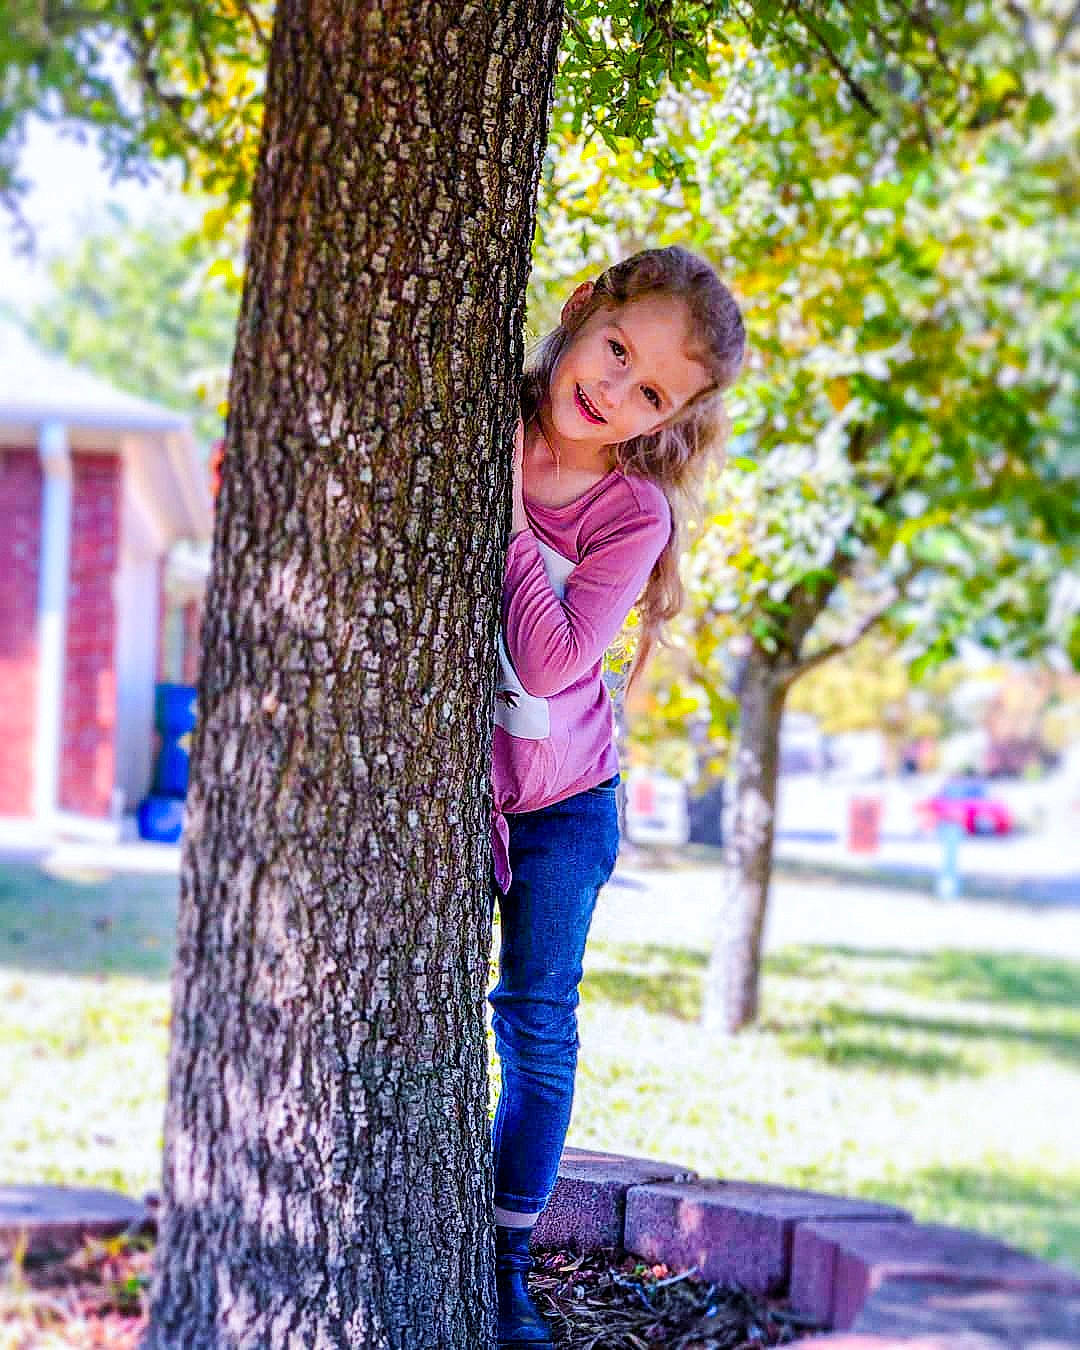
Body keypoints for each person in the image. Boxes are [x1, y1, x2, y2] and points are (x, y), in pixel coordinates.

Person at [488, 244, 746, 1347]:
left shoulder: (629, 514)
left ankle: (502, 1261)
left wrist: (497, 514)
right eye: (616, 350)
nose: (612, 391)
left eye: (650, 394)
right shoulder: (478, 401)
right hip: (469, 801)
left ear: (664, 420)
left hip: (565, 808)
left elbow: (550, 666)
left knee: (537, 1026)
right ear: (587, 303)